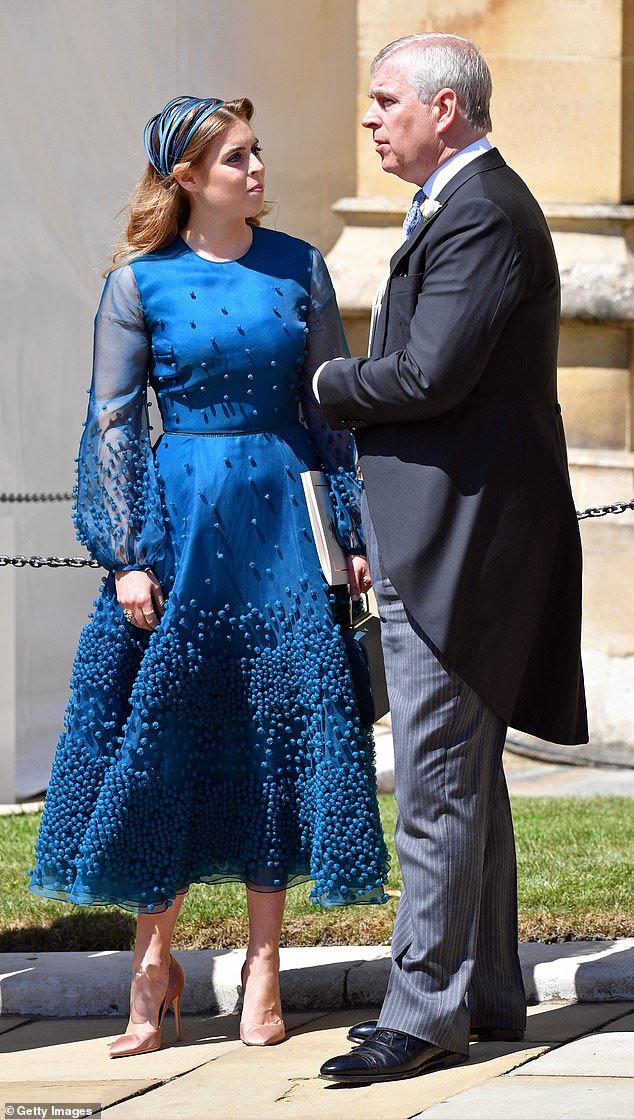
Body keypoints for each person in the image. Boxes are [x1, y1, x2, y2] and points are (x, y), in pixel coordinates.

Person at [29, 94, 389, 1057]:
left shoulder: (300, 266)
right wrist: (126, 557)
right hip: (183, 525)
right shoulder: (138, 283)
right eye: (237, 157)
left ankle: (263, 966)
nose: (258, 168)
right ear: (187, 178)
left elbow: (330, 418)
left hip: (281, 518)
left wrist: (348, 536)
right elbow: (111, 424)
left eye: (258, 151)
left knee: (275, 732)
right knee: (167, 739)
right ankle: (155, 959)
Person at [316, 34, 588, 1085]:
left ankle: (421, 1011)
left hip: (460, 549)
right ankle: (485, 992)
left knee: (432, 781)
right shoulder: (466, 201)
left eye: (386, 100)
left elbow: (427, 373)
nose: (371, 118)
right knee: (464, 776)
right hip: (457, 540)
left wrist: (326, 387)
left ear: (446, 108)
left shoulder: (478, 208)